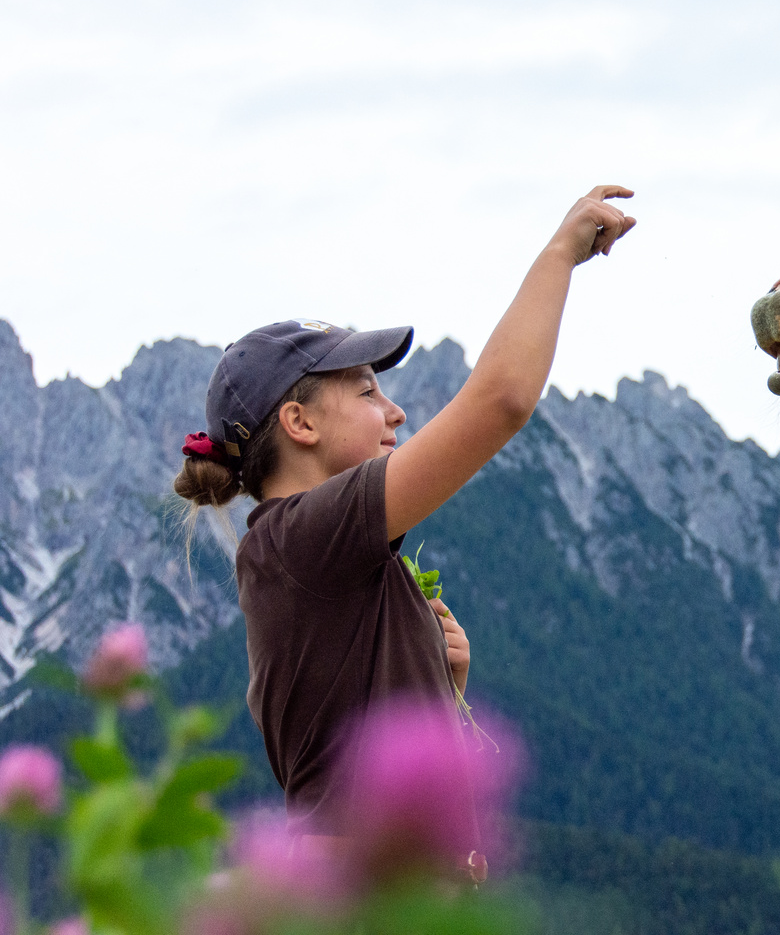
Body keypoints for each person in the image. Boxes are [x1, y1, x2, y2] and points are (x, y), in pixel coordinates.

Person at [171, 186, 635, 866]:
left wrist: (441, 686)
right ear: (299, 424)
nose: (395, 412)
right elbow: (501, 402)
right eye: (366, 391)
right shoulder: (298, 537)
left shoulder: (318, 555)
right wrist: (560, 253)